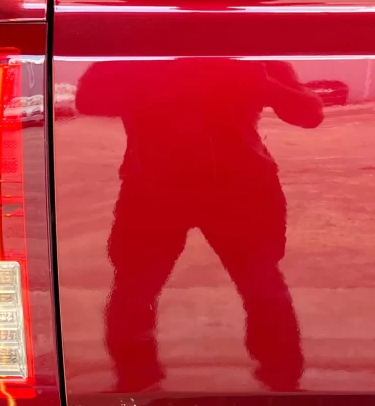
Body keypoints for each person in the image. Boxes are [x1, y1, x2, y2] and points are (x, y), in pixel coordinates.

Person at [76, 57, 324, 392]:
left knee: (262, 286)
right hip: (160, 190)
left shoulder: (253, 60)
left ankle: (282, 378)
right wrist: (174, 81)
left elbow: (310, 115)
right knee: (136, 290)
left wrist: (265, 85)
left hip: (236, 190)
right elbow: (88, 100)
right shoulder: (140, 57)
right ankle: (135, 378)